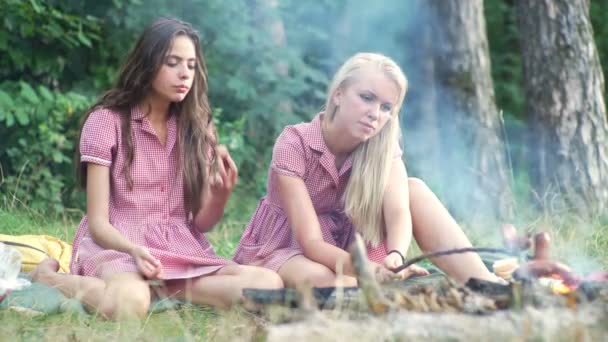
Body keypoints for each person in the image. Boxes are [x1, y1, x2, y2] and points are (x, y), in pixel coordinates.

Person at [31, 17, 282, 320]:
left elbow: (201, 224)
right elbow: (98, 223)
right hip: (117, 244)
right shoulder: (105, 121)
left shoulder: (198, 128)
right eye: (172, 62)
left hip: (179, 248)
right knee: (128, 305)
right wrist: (134, 250)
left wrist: (221, 194)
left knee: (268, 284)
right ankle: (49, 278)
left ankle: (160, 288)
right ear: (147, 64)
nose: (184, 74)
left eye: (190, 65)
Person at [233, 52, 501, 288]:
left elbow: (398, 212)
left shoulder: (382, 145)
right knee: (326, 282)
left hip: (351, 243)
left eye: (386, 107)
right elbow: (311, 242)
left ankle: (484, 282)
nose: (375, 113)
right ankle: (369, 287)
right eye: (367, 98)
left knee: (414, 188)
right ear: (338, 94)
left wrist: (395, 257)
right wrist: (367, 270)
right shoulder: (294, 143)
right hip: (290, 245)